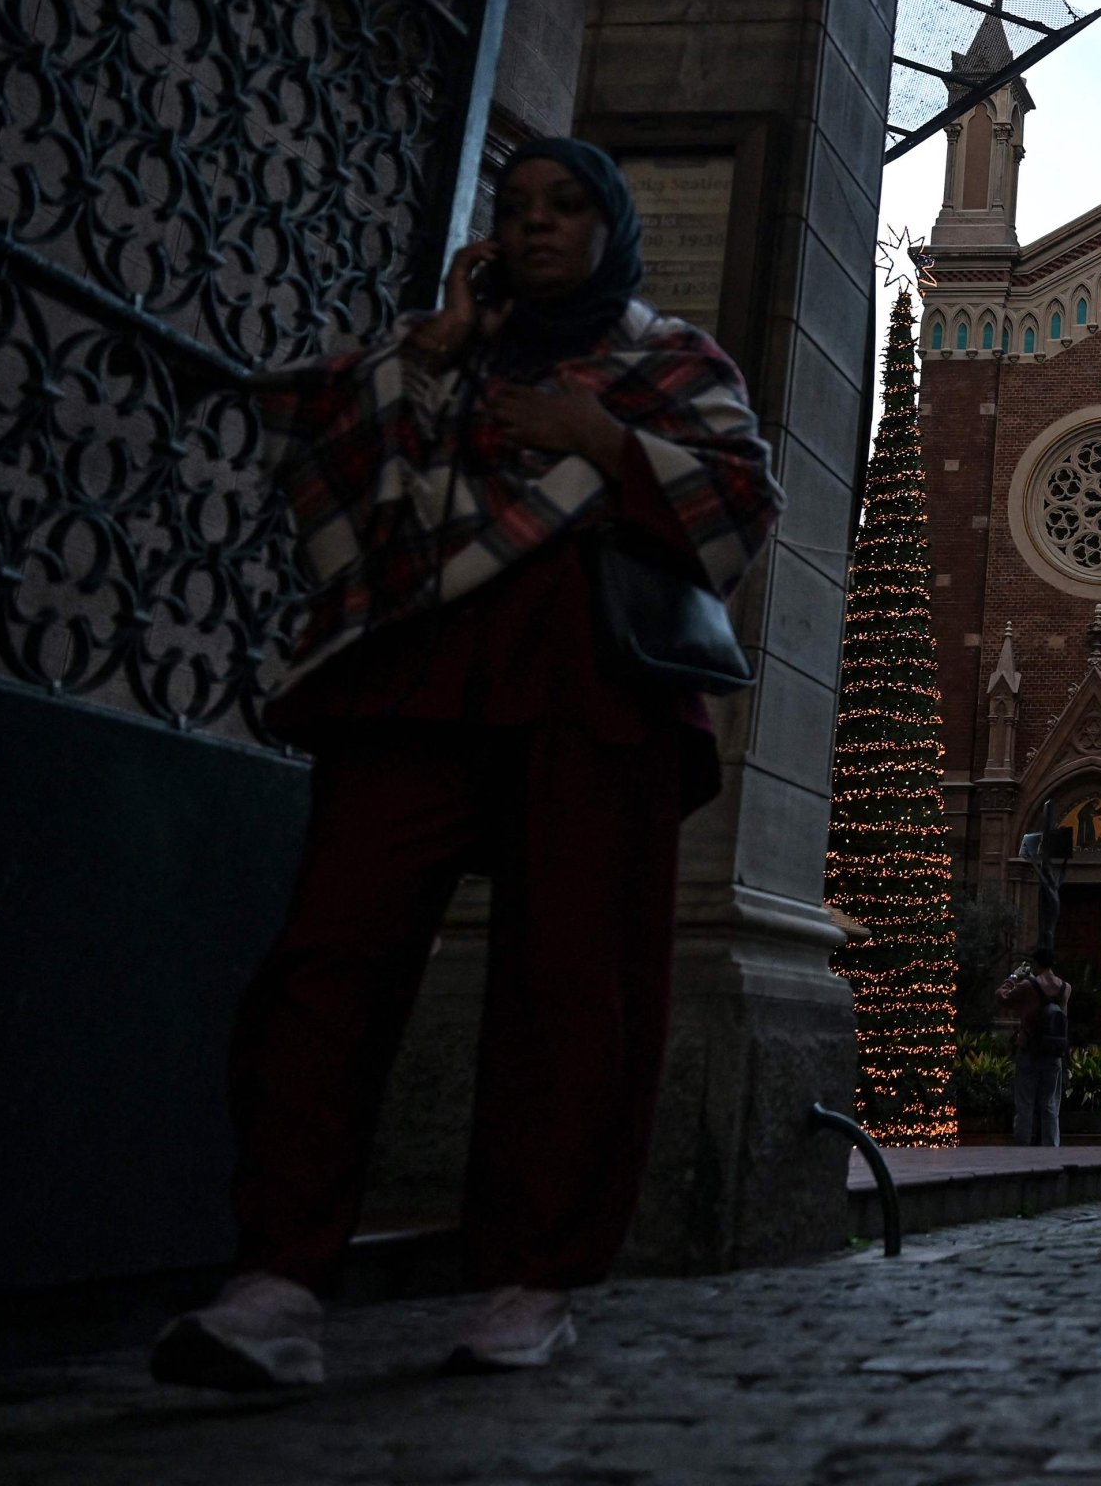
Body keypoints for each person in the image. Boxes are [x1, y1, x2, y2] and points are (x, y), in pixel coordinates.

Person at [151, 140, 782, 1390]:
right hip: (421, 684)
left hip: (586, 691)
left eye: (565, 208)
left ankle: (533, 1278)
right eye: (516, 209)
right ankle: (276, 1278)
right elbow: (334, 476)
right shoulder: (444, 358)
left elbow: (739, 503)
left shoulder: (671, 362)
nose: (538, 228)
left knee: (571, 983)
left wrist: (603, 439)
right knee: (329, 963)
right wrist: (432, 348)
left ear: (613, 229)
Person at [998, 946, 1072, 1146]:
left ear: (1036, 964)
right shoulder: (1066, 988)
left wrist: (1013, 977)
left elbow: (1002, 996)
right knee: (1050, 1105)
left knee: (1025, 1104)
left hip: (1029, 1050)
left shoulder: (1028, 986)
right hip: (1054, 1053)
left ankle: (1022, 1149)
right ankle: (1051, 1150)